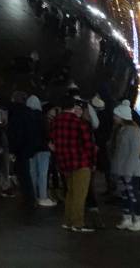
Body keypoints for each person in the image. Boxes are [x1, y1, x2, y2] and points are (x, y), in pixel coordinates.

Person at [50, 97, 96, 232]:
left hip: (64, 162)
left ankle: (68, 220)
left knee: (70, 192)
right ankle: (78, 223)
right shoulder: (79, 123)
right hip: (80, 161)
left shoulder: (55, 123)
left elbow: (53, 141)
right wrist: (92, 162)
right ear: (73, 107)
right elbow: (89, 145)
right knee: (79, 194)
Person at [109, 101, 140, 231]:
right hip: (123, 170)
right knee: (125, 195)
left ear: (121, 116)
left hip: (131, 170)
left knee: (133, 194)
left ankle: (139, 219)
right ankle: (127, 218)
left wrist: (128, 171)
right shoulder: (121, 130)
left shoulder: (133, 131)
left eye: (115, 115)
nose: (114, 117)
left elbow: (134, 152)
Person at [23, 95, 54, 206]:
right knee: (43, 173)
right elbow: (47, 133)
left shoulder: (25, 118)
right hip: (43, 149)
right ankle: (43, 197)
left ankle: (33, 196)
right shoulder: (42, 117)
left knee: (33, 173)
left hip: (30, 150)